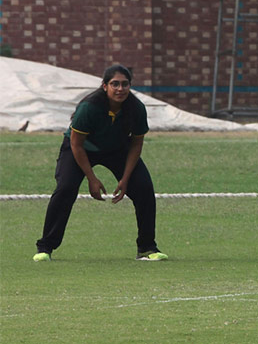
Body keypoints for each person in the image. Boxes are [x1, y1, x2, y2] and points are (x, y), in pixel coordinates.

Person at [33, 64, 168, 262]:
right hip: (80, 149)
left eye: (125, 84)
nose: (120, 89)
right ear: (105, 86)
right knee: (65, 188)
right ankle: (45, 247)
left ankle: (147, 248)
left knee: (144, 188)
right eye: (115, 84)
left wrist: (126, 179)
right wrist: (92, 178)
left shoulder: (136, 108)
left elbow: (136, 144)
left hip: (117, 150)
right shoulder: (90, 107)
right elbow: (76, 145)